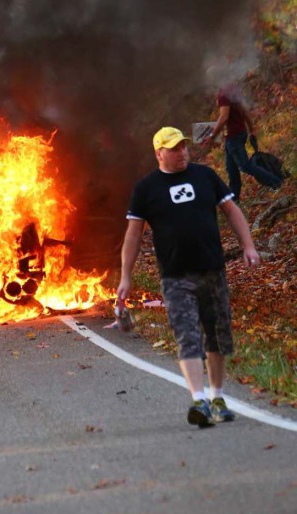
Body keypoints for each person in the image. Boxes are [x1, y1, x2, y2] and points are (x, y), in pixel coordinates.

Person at [117, 127, 261, 428]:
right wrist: (125, 278)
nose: (182, 152)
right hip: (175, 277)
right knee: (187, 337)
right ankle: (199, 401)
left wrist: (248, 245)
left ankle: (218, 397)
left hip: (212, 270)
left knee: (218, 337)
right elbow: (133, 236)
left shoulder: (206, 176)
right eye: (174, 148)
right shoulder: (146, 189)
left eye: (183, 146)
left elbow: (231, 210)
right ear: (159, 153)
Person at [203, 84, 282, 201]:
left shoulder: (223, 94)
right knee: (231, 170)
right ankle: (234, 199)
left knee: (245, 166)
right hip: (238, 134)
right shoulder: (232, 89)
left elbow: (224, 117)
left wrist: (212, 135)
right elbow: (244, 112)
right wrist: (251, 129)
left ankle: (276, 183)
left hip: (234, 137)